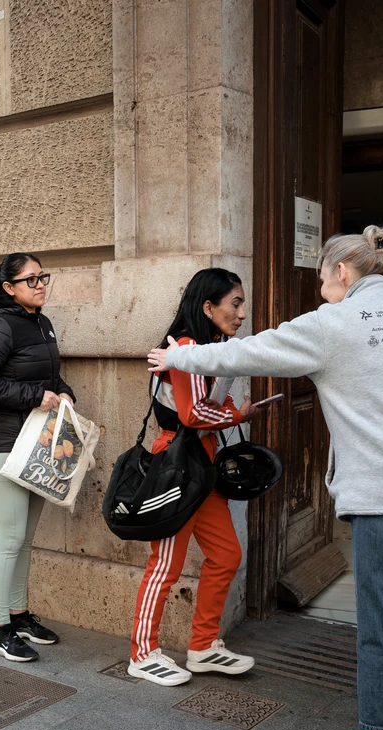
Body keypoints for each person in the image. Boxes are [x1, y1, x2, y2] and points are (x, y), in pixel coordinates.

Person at [148, 226, 383, 730]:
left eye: (322, 283)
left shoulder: (334, 323)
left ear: (341, 272)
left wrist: (176, 356)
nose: (322, 294)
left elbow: (250, 352)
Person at [124, 268, 256, 686]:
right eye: (234, 303)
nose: (241, 313)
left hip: (201, 467)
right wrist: (239, 414)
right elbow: (193, 413)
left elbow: (205, 407)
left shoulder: (208, 347)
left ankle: (202, 647)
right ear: (208, 306)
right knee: (165, 565)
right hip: (177, 467)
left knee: (226, 556)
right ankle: (142, 653)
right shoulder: (185, 348)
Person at [0, 253, 69, 663]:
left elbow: (48, 376)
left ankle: (20, 615)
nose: (40, 284)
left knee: (24, 539)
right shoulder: (0, 325)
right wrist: (33, 396)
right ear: (8, 288)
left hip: (38, 446)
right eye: (30, 279)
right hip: (5, 445)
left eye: (44, 276)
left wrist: (64, 391)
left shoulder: (41, 321)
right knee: (8, 539)